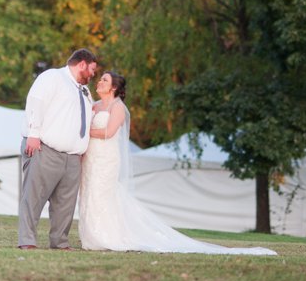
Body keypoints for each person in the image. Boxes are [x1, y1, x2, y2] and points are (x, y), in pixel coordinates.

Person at [78, 72, 277, 255]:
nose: (100, 82)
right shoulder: (94, 106)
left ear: (113, 87)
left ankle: (106, 236)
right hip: (91, 157)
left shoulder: (118, 107)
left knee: (103, 193)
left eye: (104, 80)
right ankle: (91, 236)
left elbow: (108, 132)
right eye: (101, 79)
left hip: (107, 159)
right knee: (89, 192)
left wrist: (84, 133)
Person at [18, 48, 97, 250]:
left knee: (65, 204)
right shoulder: (53, 77)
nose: (93, 75)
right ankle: (27, 241)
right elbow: (36, 103)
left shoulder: (85, 92)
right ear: (82, 64)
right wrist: (33, 134)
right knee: (34, 197)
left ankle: (60, 242)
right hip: (45, 149)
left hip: (72, 157)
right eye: (92, 69)